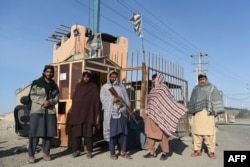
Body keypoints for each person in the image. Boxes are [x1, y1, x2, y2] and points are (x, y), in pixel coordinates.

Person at [143, 73, 187, 161]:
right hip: (152, 115)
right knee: (150, 134)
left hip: (162, 116)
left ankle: (164, 153)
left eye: (154, 78)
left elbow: (169, 101)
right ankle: (152, 152)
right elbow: (151, 102)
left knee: (162, 135)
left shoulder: (163, 88)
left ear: (159, 79)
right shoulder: (152, 90)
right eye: (152, 79)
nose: (153, 80)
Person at [28, 65, 60, 163]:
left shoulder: (54, 85)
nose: (49, 73)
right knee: (34, 133)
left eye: (51, 72)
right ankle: (31, 154)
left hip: (49, 111)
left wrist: (50, 102)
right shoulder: (36, 83)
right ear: (44, 72)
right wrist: (43, 101)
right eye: (47, 72)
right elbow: (32, 95)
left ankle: (46, 153)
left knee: (48, 133)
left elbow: (57, 97)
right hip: (37, 111)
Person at [188, 73, 224, 159]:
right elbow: (192, 100)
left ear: (206, 79)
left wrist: (216, 110)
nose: (202, 80)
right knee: (196, 133)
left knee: (209, 134)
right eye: (200, 79)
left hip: (208, 113)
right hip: (197, 114)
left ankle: (211, 152)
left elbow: (217, 98)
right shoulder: (195, 89)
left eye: (203, 79)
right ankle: (197, 150)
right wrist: (192, 111)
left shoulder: (212, 87)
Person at [100, 70, 132, 160]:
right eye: (112, 77)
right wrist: (111, 99)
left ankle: (123, 150)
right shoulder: (105, 87)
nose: (114, 78)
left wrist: (127, 108)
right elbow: (102, 98)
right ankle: (112, 152)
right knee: (113, 133)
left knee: (124, 133)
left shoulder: (121, 87)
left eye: (115, 77)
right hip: (111, 113)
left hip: (122, 112)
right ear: (109, 77)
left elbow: (126, 98)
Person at [69, 70, 101, 158]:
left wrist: (94, 110)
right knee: (77, 134)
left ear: (90, 78)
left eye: (88, 77)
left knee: (88, 134)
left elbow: (96, 100)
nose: (86, 78)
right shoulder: (79, 86)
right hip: (78, 114)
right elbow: (74, 99)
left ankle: (89, 151)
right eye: (85, 76)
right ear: (82, 77)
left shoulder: (93, 87)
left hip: (88, 114)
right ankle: (77, 150)